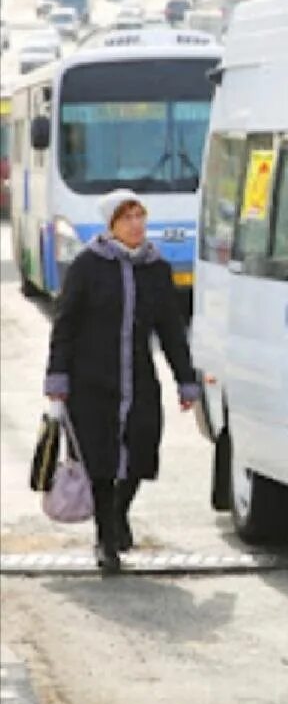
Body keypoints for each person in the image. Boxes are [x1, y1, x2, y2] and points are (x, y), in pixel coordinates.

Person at [43, 189, 199, 574]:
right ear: (112, 225)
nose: (136, 225)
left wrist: (185, 380)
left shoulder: (156, 269)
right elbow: (65, 324)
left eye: (140, 217)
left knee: (143, 448)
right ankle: (106, 541)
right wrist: (57, 377)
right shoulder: (87, 266)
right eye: (127, 218)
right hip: (92, 379)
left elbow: (172, 330)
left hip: (140, 379)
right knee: (100, 461)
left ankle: (117, 512)